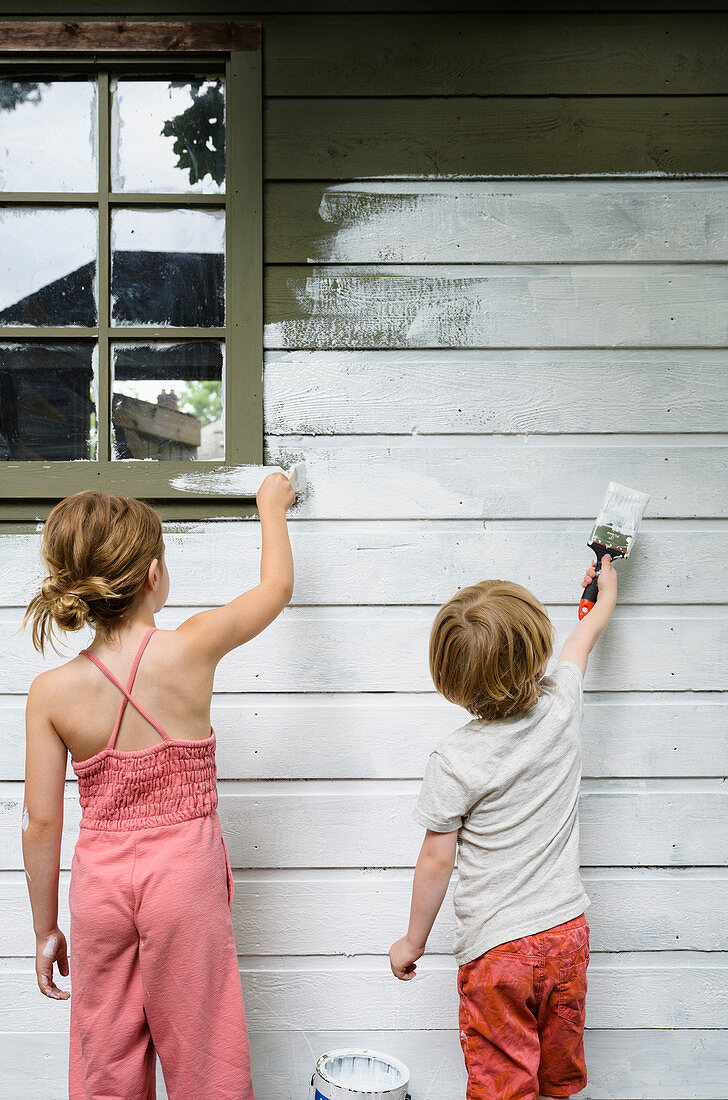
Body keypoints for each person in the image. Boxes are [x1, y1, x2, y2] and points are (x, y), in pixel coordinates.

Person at [21, 474, 295, 1100]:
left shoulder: (52, 693)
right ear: (152, 575)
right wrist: (270, 507)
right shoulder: (191, 649)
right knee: (205, 1047)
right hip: (184, 880)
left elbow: (41, 823)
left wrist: (45, 928)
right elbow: (276, 588)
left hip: (100, 889)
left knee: (105, 1055)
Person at [389, 556, 618, 1099]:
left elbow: (436, 860)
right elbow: (581, 642)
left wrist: (412, 941)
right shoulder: (562, 704)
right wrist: (602, 594)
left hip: (498, 953)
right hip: (566, 936)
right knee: (556, 1077)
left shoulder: (454, 758)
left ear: (450, 678)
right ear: (536, 647)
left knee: (504, 1085)